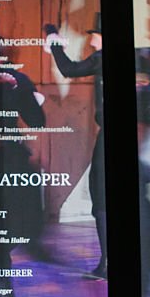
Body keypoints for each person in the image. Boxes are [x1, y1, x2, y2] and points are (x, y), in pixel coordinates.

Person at [44, 14, 106, 278]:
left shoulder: (102, 58)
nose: (90, 38)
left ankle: (107, 263)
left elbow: (69, 69)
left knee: (101, 199)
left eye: (94, 33)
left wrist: (54, 42)